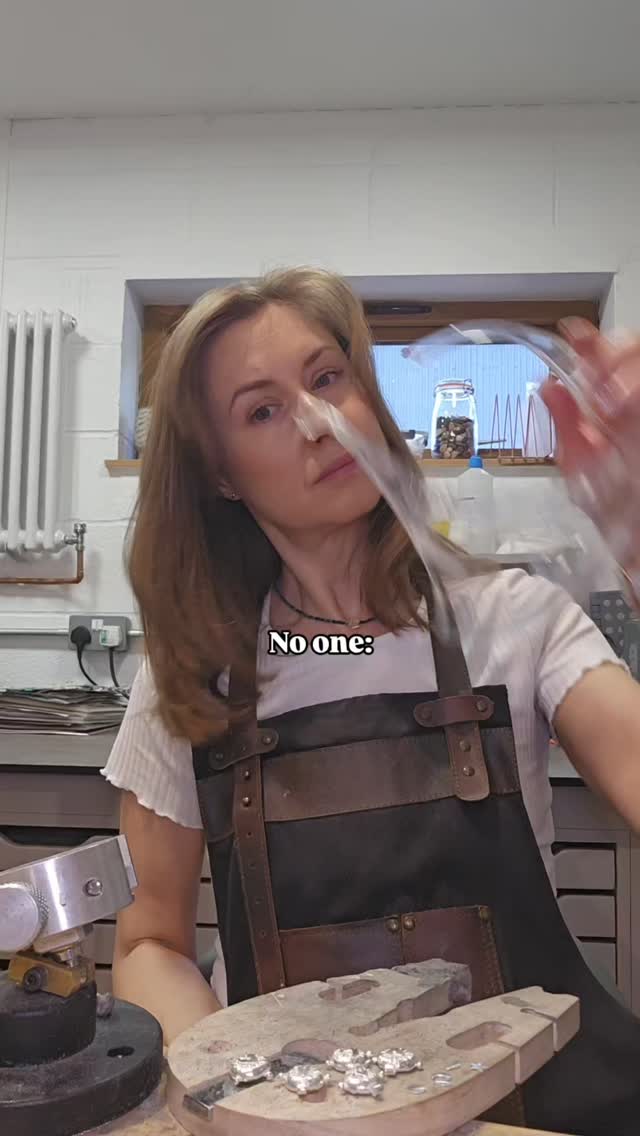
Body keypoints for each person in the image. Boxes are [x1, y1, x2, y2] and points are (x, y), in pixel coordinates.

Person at [103, 267, 640, 1136]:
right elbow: (150, 942)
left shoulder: (516, 618)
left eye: (326, 379)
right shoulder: (195, 678)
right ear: (221, 477)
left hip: (533, 1110)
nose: (319, 424)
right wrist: (238, 1104)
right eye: (263, 411)